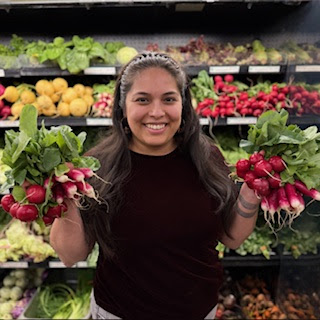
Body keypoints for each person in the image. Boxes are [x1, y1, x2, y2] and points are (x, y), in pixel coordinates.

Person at [50, 51, 261, 320]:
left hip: (199, 312)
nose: (157, 112)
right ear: (122, 107)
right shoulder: (96, 167)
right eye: (142, 100)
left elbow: (232, 237)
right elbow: (71, 256)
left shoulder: (208, 158)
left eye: (169, 99)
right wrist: (65, 195)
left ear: (183, 105)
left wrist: (252, 192)